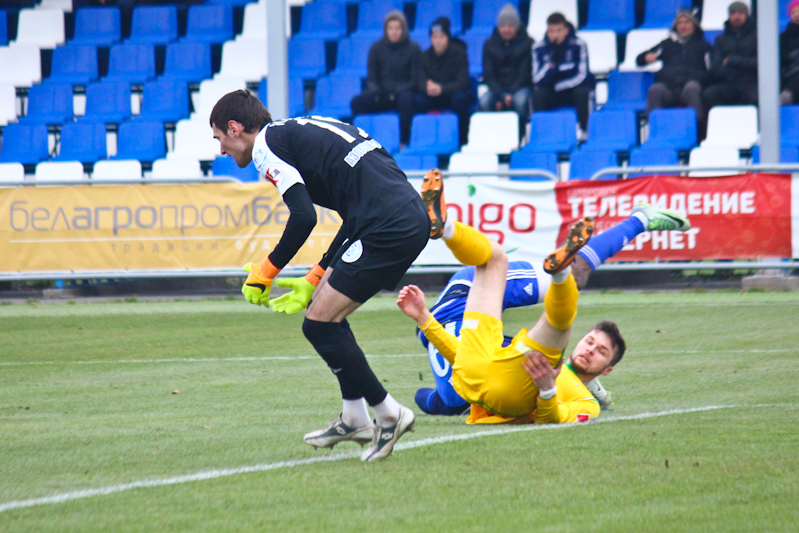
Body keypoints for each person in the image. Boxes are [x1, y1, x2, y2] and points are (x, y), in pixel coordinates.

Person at [210, 90, 430, 462]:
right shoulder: (296, 130)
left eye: (219, 138)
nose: (221, 150)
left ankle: (389, 413)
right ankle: (355, 417)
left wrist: (267, 270)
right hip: (397, 215)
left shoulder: (265, 146)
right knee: (324, 315)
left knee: (318, 325)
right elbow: (353, 209)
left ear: (235, 128)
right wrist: (317, 274)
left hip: (386, 225)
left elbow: (303, 217)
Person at [405, 173, 691, 416]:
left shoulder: (460, 391)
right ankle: (639, 220)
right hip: (453, 320)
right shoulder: (455, 395)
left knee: (514, 281)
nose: (590, 349)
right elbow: (425, 398)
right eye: (593, 345)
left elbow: (429, 398)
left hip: (461, 304)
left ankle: (447, 228)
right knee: (559, 295)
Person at [636, 9, 711, 137]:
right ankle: (655, 133)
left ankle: (696, 133)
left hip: (689, 87)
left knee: (693, 88)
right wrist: (646, 58)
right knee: (655, 90)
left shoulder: (704, 46)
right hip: (669, 88)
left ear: (694, 25)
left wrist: (691, 76)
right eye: (679, 23)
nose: (683, 26)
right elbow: (640, 59)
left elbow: (711, 71)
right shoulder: (667, 44)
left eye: (686, 22)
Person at [350, 10, 421, 146]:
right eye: (391, 28)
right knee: (356, 103)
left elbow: (415, 80)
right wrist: (379, 92)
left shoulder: (413, 48)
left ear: (404, 29)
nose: (394, 32)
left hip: (403, 94)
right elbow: (371, 78)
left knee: (407, 101)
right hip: (382, 94)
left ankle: (404, 142)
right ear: (386, 30)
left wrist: (395, 93)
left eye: (397, 28)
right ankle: (359, 142)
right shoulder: (376, 48)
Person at [416, 17, 475, 146]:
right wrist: (427, 88)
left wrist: (442, 89)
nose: (438, 41)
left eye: (441, 37)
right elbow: (420, 81)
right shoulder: (424, 56)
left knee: (460, 99)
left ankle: (462, 141)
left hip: (453, 94)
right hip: (433, 96)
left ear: (448, 37)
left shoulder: (459, 53)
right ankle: (422, 141)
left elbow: (463, 82)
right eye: (434, 37)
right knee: (418, 101)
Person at [532, 12, 595, 132]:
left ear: (566, 30)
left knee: (583, 92)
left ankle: (585, 131)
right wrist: (549, 67)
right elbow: (536, 79)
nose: (556, 34)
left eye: (559, 30)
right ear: (547, 32)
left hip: (572, 91)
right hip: (551, 92)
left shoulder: (579, 45)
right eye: (552, 31)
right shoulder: (538, 48)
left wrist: (560, 86)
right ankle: (542, 132)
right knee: (538, 95)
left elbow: (582, 75)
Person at [479, 3, 534, 132]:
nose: (506, 29)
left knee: (520, 102)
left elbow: (525, 74)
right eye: (503, 26)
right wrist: (502, 95)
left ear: (517, 26)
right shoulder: (489, 44)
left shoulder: (528, 43)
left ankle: (519, 136)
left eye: (510, 25)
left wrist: (509, 94)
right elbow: (489, 74)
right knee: (484, 102)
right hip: (497, 89)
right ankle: (492, 134)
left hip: (520, 87)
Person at [702, 2, 758, 109]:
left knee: (756, 96)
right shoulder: (720, 39)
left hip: (751, 82)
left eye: (740, 13)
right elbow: (716, 67)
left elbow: (759, 63)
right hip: (728, 82)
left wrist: (731, 60)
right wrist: (742, 66)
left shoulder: (758, 37)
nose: (736, 16)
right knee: (709, 94)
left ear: (747, 15)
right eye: (733, 13)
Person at [780, 0, 799, 104]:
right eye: (793, 12)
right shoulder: (784, 36)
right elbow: (782, 59)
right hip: (791, 72)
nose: (796, 14)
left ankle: (788, 94)